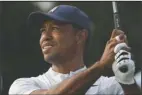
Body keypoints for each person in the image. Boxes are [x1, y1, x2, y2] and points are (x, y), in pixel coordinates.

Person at [9, 5, 140, 95]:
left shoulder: (111, 86)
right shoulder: (23, 85)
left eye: (55, 28)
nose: (45, 37)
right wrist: (101, 66)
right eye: (43, 31)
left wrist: (127, 81)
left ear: (80, 36)